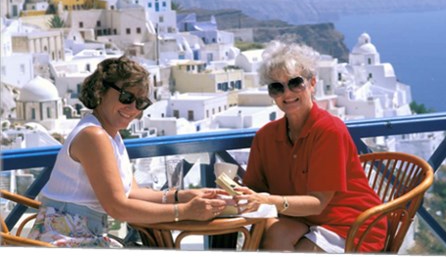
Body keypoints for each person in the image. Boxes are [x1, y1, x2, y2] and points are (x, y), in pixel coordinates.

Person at [28, 55, 226, 247]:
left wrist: (183, 196)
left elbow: (132, 193)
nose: (133, 108)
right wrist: (184, 211)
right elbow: (118, 208)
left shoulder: (110, 134)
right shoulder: (94, 136)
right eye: (126, 97)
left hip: (83, 235)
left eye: (141, 103)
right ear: (101, 91)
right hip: (63, 239)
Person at [234, 41, 387, 253]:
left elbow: (318, 202)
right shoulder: (266, 137)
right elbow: (256, 190)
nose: (287, 94)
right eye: (277, 87)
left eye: (295, 83)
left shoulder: (329, 130)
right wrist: (235, 192)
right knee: (269, 233)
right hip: (304, 220)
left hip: (351, 225)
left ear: (312, 83)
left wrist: (268, 200)